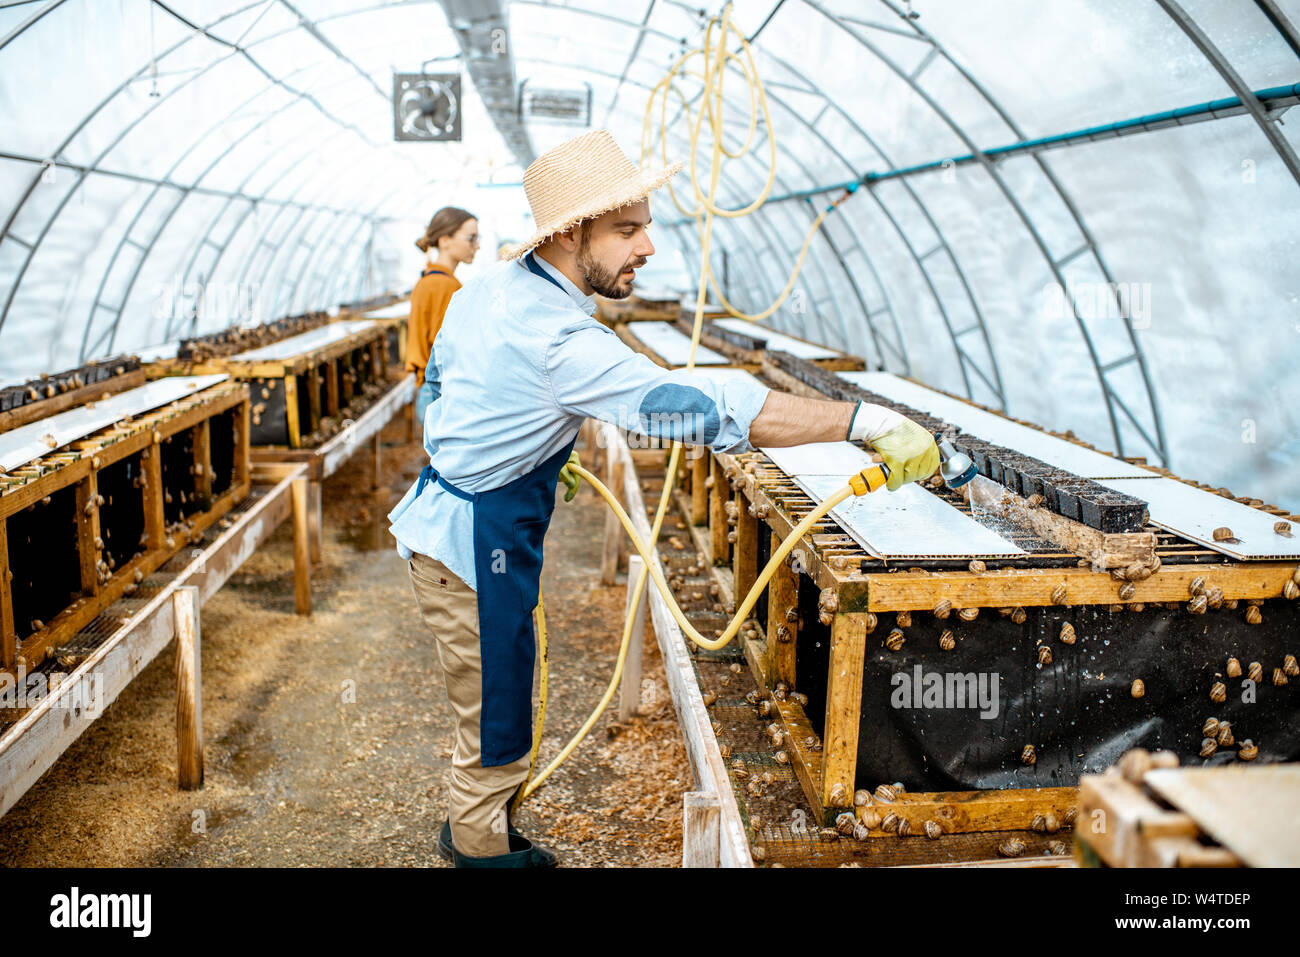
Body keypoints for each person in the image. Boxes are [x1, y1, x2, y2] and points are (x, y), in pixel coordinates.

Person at [388, 129, 939, 868]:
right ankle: (479, 849)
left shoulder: (489, 286)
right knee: (495, 702)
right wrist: (862, 422)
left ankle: (485, 826)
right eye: (627, 229)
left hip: (457, 509)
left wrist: (515, 451)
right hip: (473, 537)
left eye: (645, 223)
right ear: (571, 233)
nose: (647, 245)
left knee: (508, 678)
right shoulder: (560, 340)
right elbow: (691, 407)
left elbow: (438, 387)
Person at [407, 207, 478, 422]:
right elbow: (447, 349)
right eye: (471, 238)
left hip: (429, 390)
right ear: (445, 240)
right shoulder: (443, 285)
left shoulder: (431, 280)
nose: (477, 245)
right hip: (441, 391)